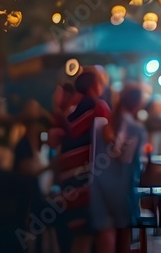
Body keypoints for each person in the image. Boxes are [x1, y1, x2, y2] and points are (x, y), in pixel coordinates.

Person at [56, 70, 111, 253]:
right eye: (101, 82)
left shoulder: (71, 112)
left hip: (68, 183)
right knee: (89, 234)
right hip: (87, 183)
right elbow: (112, 140)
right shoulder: (99, 107)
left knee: (79, 236)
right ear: (94, 86)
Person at [91, 85, 148, 253]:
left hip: (100, 184)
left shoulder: (102, 124)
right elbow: (125, 157)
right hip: (121, 185)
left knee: (105, 232)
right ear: (137, 103)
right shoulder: (135, 128)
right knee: (123, 232)